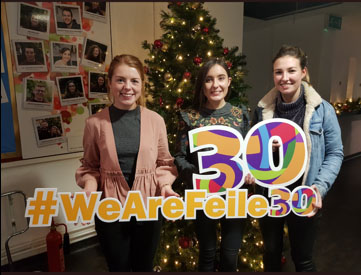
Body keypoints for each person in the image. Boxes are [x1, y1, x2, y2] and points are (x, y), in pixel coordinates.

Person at [75, 54, 178, 271]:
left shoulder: (156, 121)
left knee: (143, 266)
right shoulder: (94, 123)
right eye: (120, 80)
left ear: (142, 84)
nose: (127, 87)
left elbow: (164, 163)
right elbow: (90, 167)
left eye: (134, 81)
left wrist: (166, 186)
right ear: (110, 83)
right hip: (110, 209)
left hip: (148, 206)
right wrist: (90, 188)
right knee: (118, 267)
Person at [252, 45, 343, 271]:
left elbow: (335, 153)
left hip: (304, 195)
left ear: (303, 72)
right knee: (271, 254)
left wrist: (319, 188)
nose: (284, 78)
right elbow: (252, 152)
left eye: (291, 71)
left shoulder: (323, 111)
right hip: (271, 196)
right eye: (278, 72)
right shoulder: (262, 111)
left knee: (303, 260)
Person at [174, 58, 254, 272]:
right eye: (208, 80)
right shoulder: (189, 116)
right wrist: (193, 174)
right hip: (203, 195)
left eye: (220, 78)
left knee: (230, 256)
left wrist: (250, 172)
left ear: (229, 81)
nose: (215, 85)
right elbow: (180, 157)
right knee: (207, 254)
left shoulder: (241, 115)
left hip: (235, 195)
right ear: (202, 85)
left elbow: (250, 154)